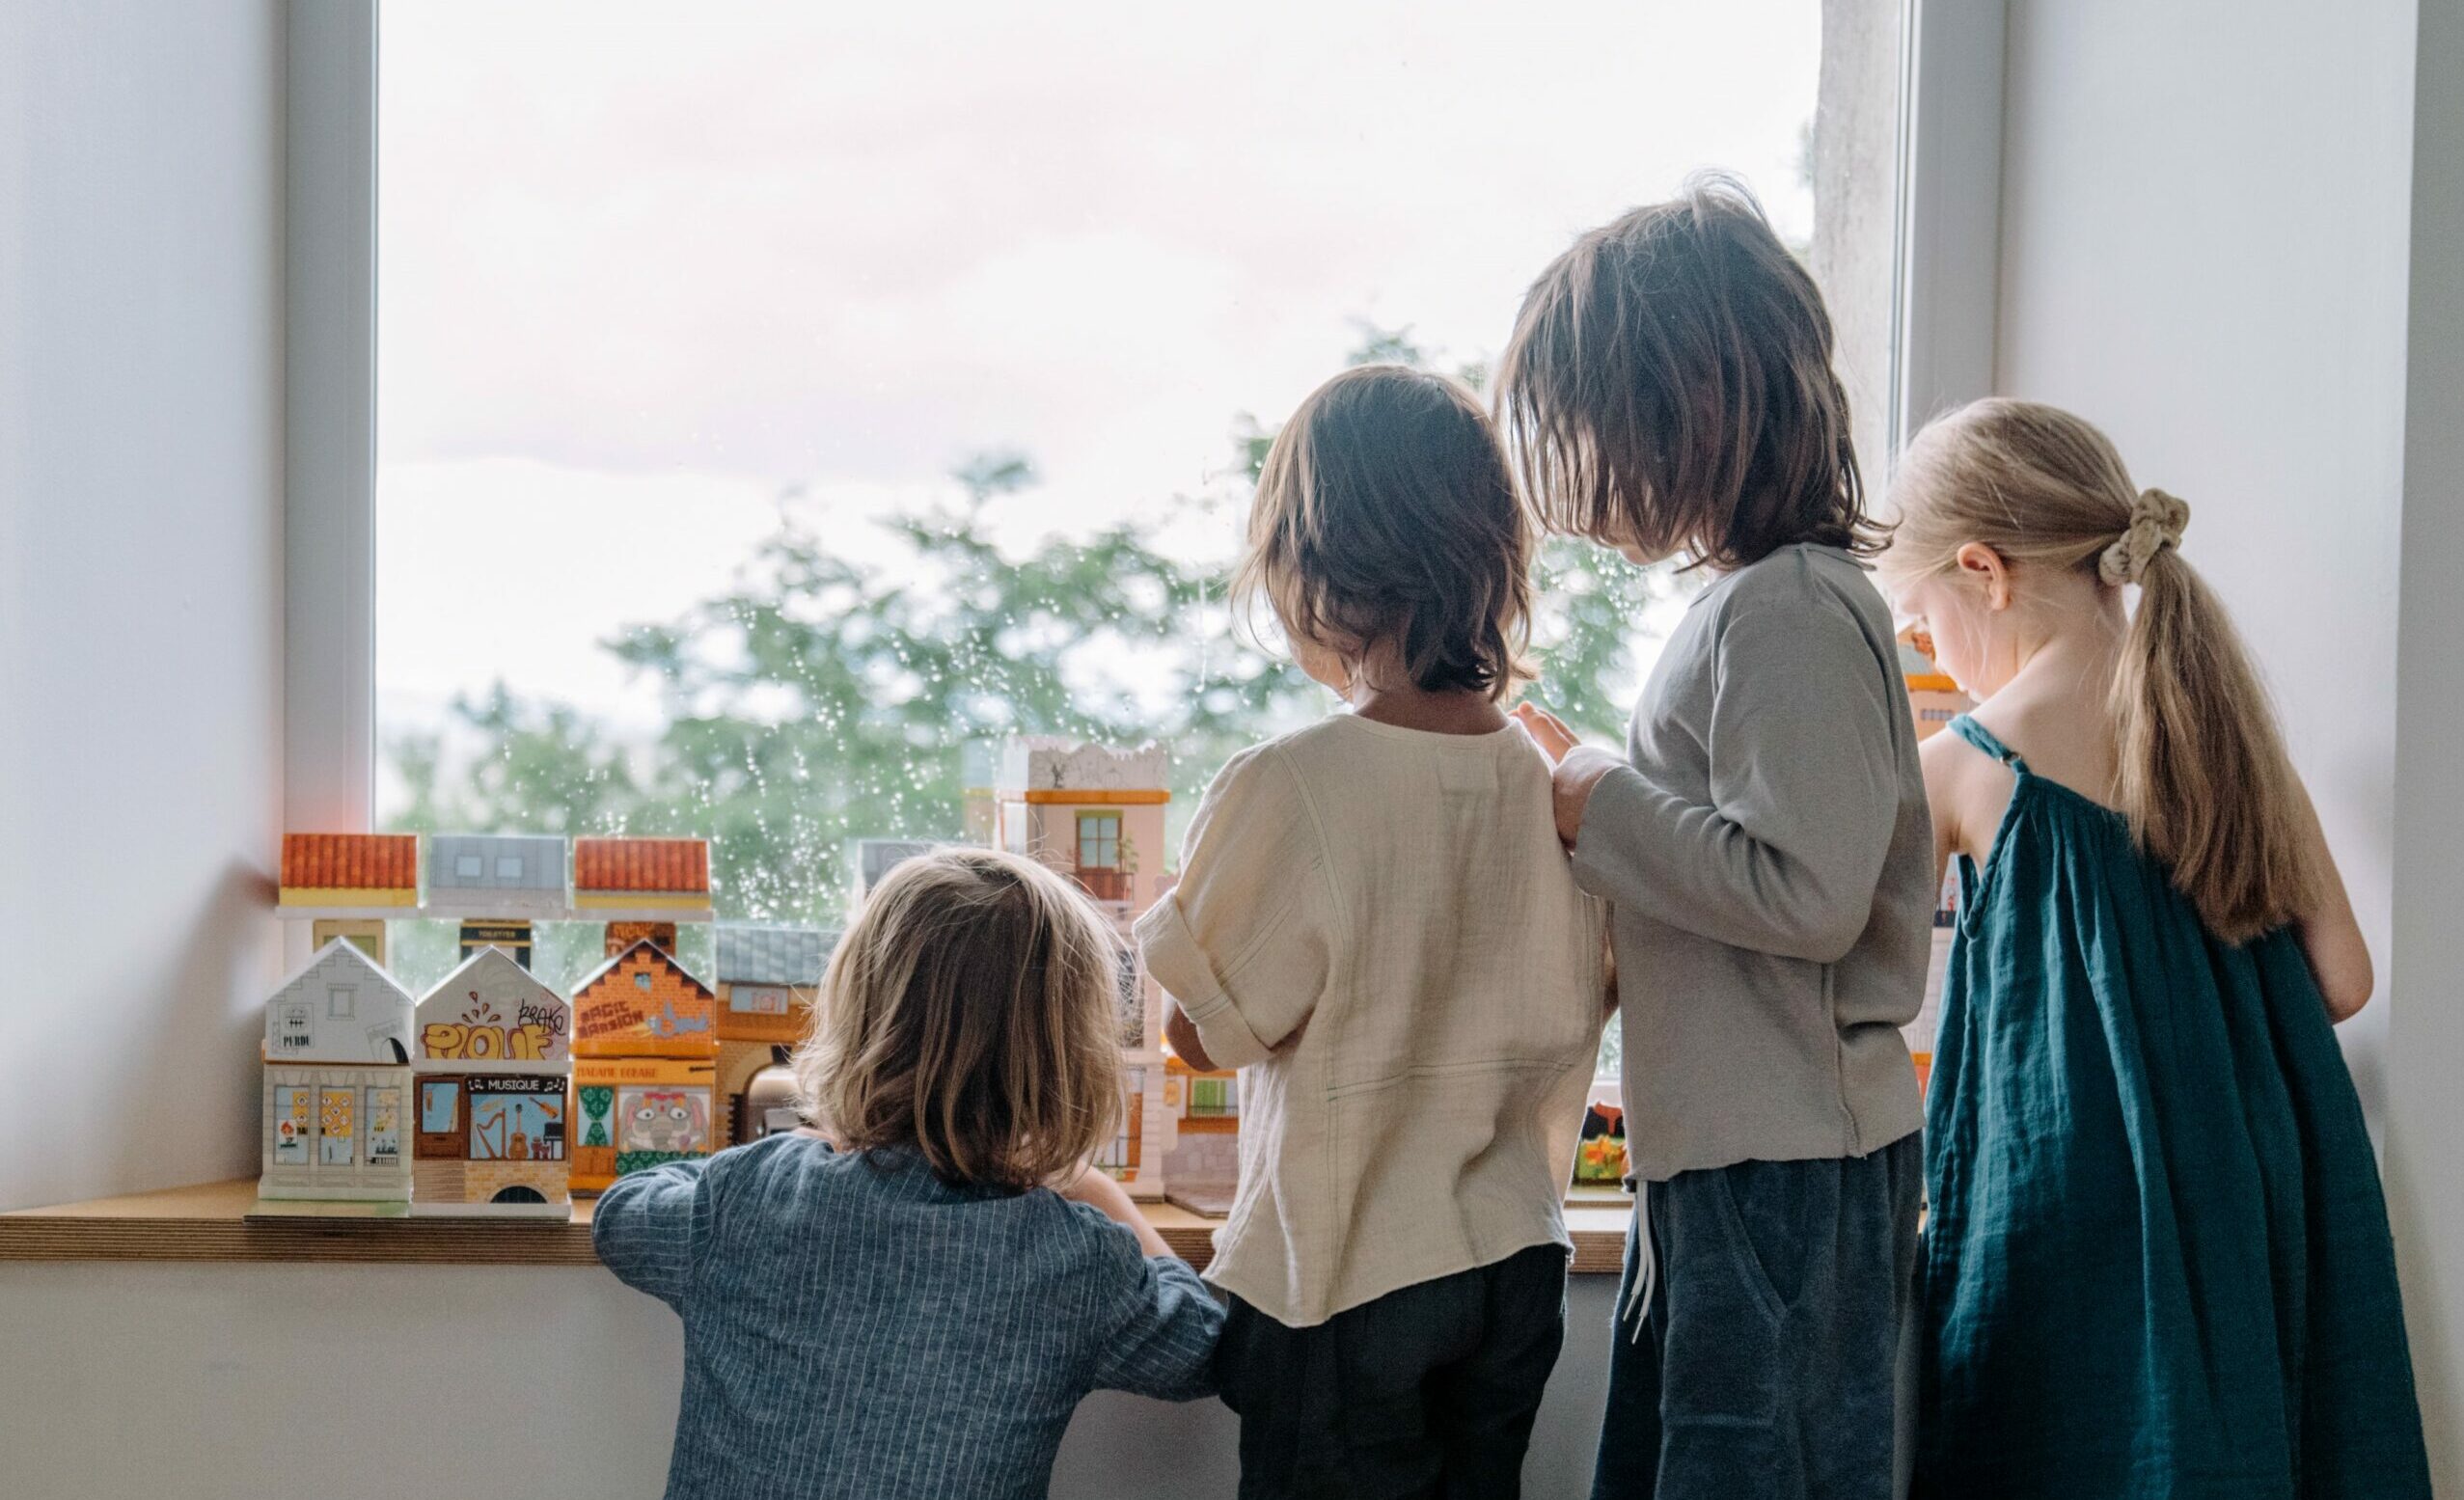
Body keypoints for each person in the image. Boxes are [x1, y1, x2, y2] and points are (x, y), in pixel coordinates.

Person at [1881, 396, 2433, 1498]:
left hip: (2061, 1209)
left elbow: (1880, 994)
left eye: (1921, 623)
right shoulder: (2222, 728)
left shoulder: (1962, 762)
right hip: (2252, 1189)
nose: (1931, 653)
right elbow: (2344, 975)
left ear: (1983, 571)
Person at [1497, 175, 1930, 1500]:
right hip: (1741, 1147)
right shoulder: (1758, 602)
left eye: (1589, 426)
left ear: (1684, 408)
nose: (1576, 468)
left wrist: (1595, 801)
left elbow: (1806, 896)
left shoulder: (1789, 608)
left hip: (1788, 1160)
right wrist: (1607, 781)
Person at [1136, 362, 1611, 1498]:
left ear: (1314, 573)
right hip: (1515, 1259)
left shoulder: (1294, 784)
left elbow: (1209, 1035)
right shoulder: (1561, 778)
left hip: (1351, 1272)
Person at [595, 847, 1221, 1500]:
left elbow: (621, 1215)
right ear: (1066, 1058)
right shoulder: (1074, 1259)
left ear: (860, 1013)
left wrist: (802, 1145)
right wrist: (1096, 1188)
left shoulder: (752, 1196)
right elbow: (1200, 1344)